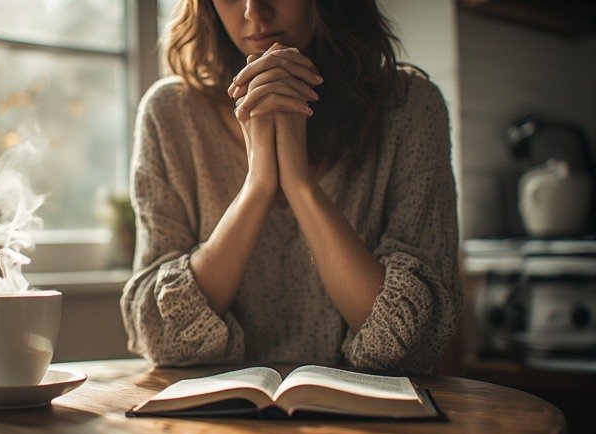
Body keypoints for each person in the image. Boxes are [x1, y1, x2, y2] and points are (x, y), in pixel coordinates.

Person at [120, 0, 462, 373]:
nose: (254, 12)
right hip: (211, 422)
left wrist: (300, 185)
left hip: (376, 422)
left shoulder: (411, 107)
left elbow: (418, 342)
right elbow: (157, 333)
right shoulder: (170, 112)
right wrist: (259, 184)